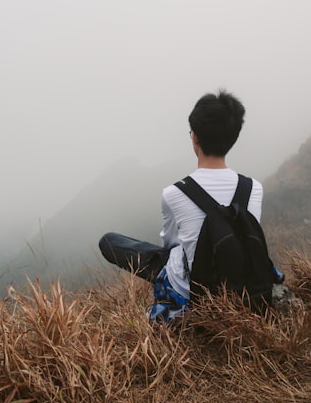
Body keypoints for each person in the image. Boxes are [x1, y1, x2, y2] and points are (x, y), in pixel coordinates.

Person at [99, 89, 269, 322]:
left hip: (190, 292)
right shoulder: (254, 188)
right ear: (234, 138)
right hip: (242, 287)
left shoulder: (175, 193)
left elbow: (169, 244)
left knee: (110, 241)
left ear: (195, 137)